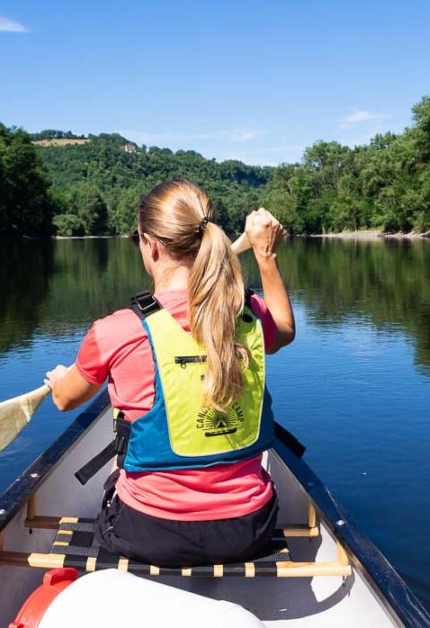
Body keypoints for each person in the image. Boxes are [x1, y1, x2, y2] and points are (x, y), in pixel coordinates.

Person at [43, 179, 295, 567]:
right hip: (250, 528)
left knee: (120, 446)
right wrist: (266, 256)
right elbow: (284, 331)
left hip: (149, 531)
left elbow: (64, 399)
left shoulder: (116, 329)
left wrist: (63, 378)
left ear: (151, 244)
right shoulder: (246, 313)